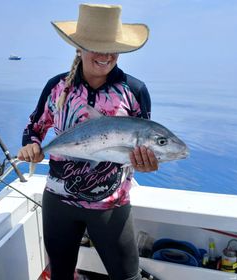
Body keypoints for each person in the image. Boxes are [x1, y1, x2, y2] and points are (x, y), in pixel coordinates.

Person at [17, 4, 158, 280]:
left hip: (111, 205)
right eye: (96, 46)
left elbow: (146, 141)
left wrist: (147, 163)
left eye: (112, 47)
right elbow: (34, 128)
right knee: (60, 275)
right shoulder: (57, 87)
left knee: (128, 277)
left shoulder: (135, 91)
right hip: (59, 203)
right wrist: (31, 145)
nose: (105, 56)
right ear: (78, 47)